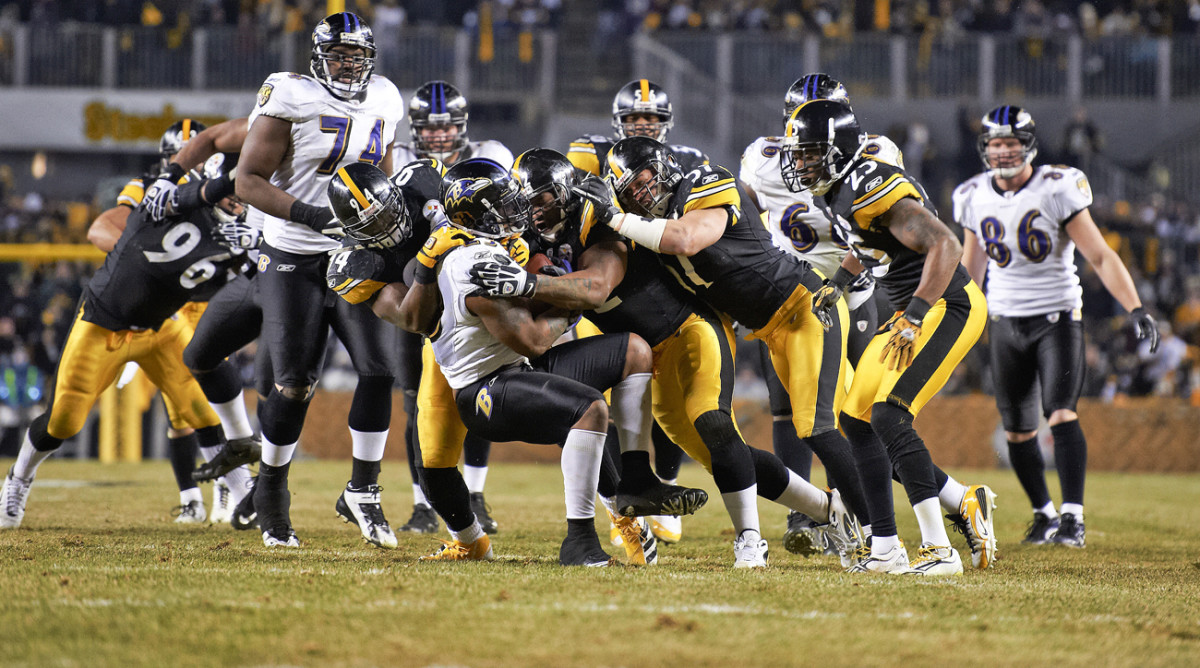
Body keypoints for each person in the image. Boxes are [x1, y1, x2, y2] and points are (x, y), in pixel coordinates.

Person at [471, 148, 859, 569]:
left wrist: (527, 284)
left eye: (542, 199)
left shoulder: (596, 217)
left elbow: (597, 287)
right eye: (526, 201)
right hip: (645, 352)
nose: (533, 210)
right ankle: (828, 509)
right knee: (723, 455)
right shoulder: (536, 236)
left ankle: (750, 540)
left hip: (689, 331)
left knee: (713, 422)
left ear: (564, 193)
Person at [397, 158, 657, 565]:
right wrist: (567, 310)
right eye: (503, 203)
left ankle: (635, 483)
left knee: (633, 351)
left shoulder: (493, 247)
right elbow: (534, 340)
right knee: (588, 409)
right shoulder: (473, 262)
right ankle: (580, 540)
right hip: (485, 391)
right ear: (478, 214)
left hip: (515, 369)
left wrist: (548, 289)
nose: (516, 208)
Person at [785, 99, 990, 575]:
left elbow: (945, 243)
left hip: (946, 304)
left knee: (890, 416)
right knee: (855, 419)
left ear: (838, 149)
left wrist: (914, 317)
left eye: (809, 153)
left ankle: (940, 550)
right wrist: (836, 282)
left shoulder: (869, 185)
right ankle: (885, 547)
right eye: (797, 155)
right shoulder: (837, 191)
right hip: (909, 308)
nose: (800, 164)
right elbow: (868, 247)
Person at [232, 11, 405, 548]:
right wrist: (307, 216)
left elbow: (385, 171)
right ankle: (272, 490)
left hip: (355, 254)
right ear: (318, 56)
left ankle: (362, 490)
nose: (347, 65)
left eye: (356, 56)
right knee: (294, 383)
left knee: (379, 371)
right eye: (338, 55)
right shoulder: (290, 96)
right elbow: (247, 180)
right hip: (296, 257)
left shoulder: (385, 98)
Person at [0, 160, 251, 530]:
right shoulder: (162, 198)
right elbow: (104, 228)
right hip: (106, 323)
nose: (238, 201)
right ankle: (18, 479)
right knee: (63, 420)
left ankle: (247, 499)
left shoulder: (235, 225)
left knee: (202, 410)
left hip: (164, 324)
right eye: (230, 191)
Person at [957, 105, 1159, 549]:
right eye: (996, 143)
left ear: (1028, 145)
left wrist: (1136, 308)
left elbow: (1101, 255)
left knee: (1061, 412)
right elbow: (969, 272)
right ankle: (1044, 513)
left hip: (1057, 318)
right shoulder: (972, 194)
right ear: (985, 148)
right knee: (1016, 430)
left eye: (1011, 143)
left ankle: (1073, 518)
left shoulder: (1055, 187)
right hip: (1004, 320)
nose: (1004, 151)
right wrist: (951, 321)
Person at [739, 73, 880, 557]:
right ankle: (807, 508)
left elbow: (875, 235)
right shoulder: (763, 160)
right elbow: (746, 225)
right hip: (788, 299)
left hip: (850, 295)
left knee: (857, 413)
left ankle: (872, 517)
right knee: (788, 410)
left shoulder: (873, 158)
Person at [88, 121, 254, 524]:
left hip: (209, 301)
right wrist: (145, 253)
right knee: (181, 413)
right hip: (164, 307)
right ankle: (193, 496)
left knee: (211, 402)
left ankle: (230, 493)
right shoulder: (152, 186)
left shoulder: (222, 187)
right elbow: (107, 227)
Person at [565, 78, 708, 545]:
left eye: (652, 119)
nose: (643, 126)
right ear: (617, 123)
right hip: (603, 288)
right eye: (634, 119)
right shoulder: (589, 153)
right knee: (595, 397)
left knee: (670, 394)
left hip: (656, 285)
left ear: (667, 124)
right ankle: (616, 500)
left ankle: (658, 485)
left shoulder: (688, 162)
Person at [389, 80, 514, 536]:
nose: (440, 136)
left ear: (463, 127)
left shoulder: (490, 152)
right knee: (413, 401)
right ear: (416, 130)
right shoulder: (397, 158)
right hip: (421, 287)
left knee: (481, 385)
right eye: (430, 128)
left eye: (448, 127)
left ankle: (475, 493)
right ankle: (424, 502)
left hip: (472, 287)